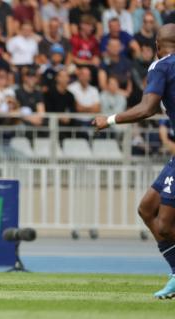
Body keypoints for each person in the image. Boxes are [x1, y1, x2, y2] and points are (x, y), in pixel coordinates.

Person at [93, 23, 175, 299]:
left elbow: (148, 108)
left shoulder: (161, 65)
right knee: (147, 208)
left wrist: (110, 119)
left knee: (164, 224)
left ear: (156, 46)